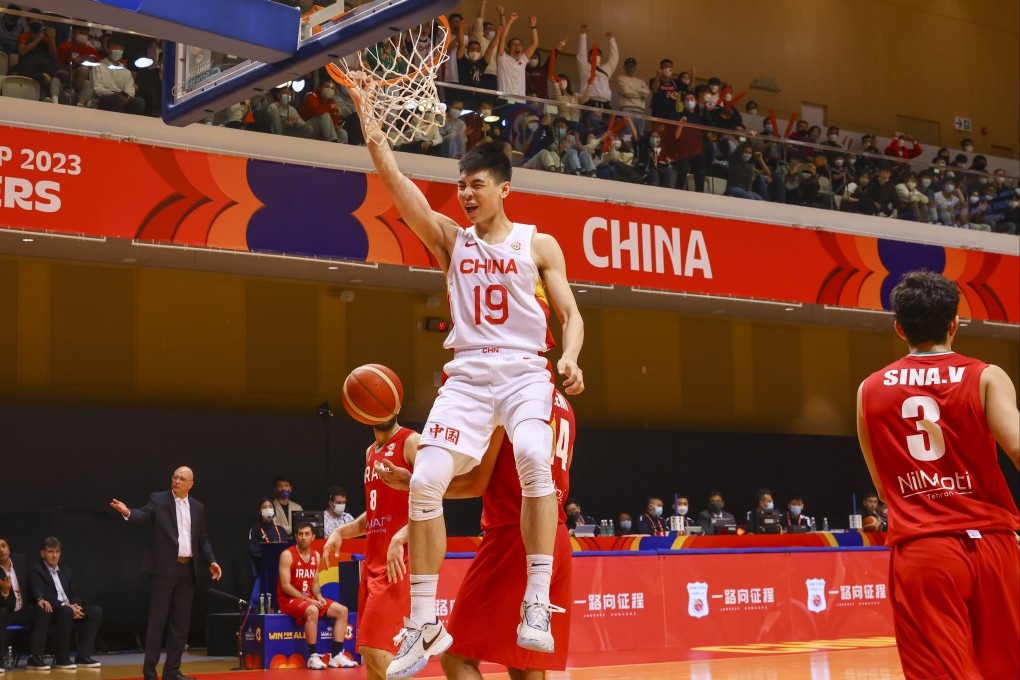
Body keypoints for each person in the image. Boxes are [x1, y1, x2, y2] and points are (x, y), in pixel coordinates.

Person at [347, 73, 584, 677]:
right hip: (469, 375)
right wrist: (375, 137)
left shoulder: (540, 245)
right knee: (426, 476)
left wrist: (571, 357)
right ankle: (422, 623)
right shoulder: (453, 242)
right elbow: (403, 194)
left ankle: (536, 601)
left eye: (477, 185)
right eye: (461, 187)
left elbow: (571, 313)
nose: (466, 195)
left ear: (504, 188)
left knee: (532, 454)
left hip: (526, 370)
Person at [856, 270, 1019, 680]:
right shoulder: (985, 375)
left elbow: (883, 486)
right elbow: (1017, 447)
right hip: (996, 546)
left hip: (926, 549)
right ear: (954, 324)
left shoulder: (870, 389)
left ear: (899, 328)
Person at [376, 390, 576, 680]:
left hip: (514, 532)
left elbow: (474, 482)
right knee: (525, 664)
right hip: (553, 535)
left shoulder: (511, 392)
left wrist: (414, 483)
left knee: (456, 658)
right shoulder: (563, 404)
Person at [323, 409, 419, 680]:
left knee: (372, 647)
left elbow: (432, 498)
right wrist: (341, 531)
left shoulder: (411, 441)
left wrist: (400, 538)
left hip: (398, 563)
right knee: (374, 662)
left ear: (398, 405)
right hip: (373, 561)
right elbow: (374, 515)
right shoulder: (370, 452)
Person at [109, 467, 222, 680]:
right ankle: (150, 671)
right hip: (164, 570)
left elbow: (202, 539)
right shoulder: (159, 500)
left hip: (187, 570)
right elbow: (142, 514)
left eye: (182, 479)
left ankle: (172, 671)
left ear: (191, 484)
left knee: (180, 624)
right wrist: (127, 512)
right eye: (174, 477)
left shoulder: (197, 507)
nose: (176, 481)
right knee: (157, 620)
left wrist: (212, 561)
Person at [277, 523, 357, 669]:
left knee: (342, 611)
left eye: (307, 534)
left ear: (313, 537)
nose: (303, 537)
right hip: (289, 600)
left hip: (308, 599)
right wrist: (308, 600)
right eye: (300, 534)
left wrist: (319, 596)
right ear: (295, 536)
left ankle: (336, 655)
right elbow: (285, 586)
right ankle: (313, 656)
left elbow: (314, 584)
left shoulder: (316, 555)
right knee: (312, 610)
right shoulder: (287, 555)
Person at [27, 537, 102, 670]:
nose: (54, 555)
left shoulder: (66, 570)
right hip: (52, 611)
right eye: (50, 551)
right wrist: (67, 607)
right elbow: (44, 596)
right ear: (43, 553)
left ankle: (83, 656)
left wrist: (76, 606)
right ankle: (62, 658)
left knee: (95, 612)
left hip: (69, 608)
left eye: (57, 551)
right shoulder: (36, 570)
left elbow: (74, 594)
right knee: (65, 612)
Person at [0, 537, 50, 671]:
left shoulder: (20, 561)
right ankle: (0, 659)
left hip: (22, 610)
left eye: (3, 545)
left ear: (8, 548)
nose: (1, 550)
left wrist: (40, 599)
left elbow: (31, 583)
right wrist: (4, 591)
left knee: (43, 609)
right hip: (4, 612)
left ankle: (35, 657)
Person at [248, 497, 287, 574]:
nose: (268, 509)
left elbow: (287, 548)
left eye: (270, 506)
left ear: (273, 510)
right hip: (264, 569)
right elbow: (254, 551)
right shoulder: (255, 531)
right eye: (264, 507)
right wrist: (271, 559)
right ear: (259, 511)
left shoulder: (281, 529)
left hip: (282, 569)